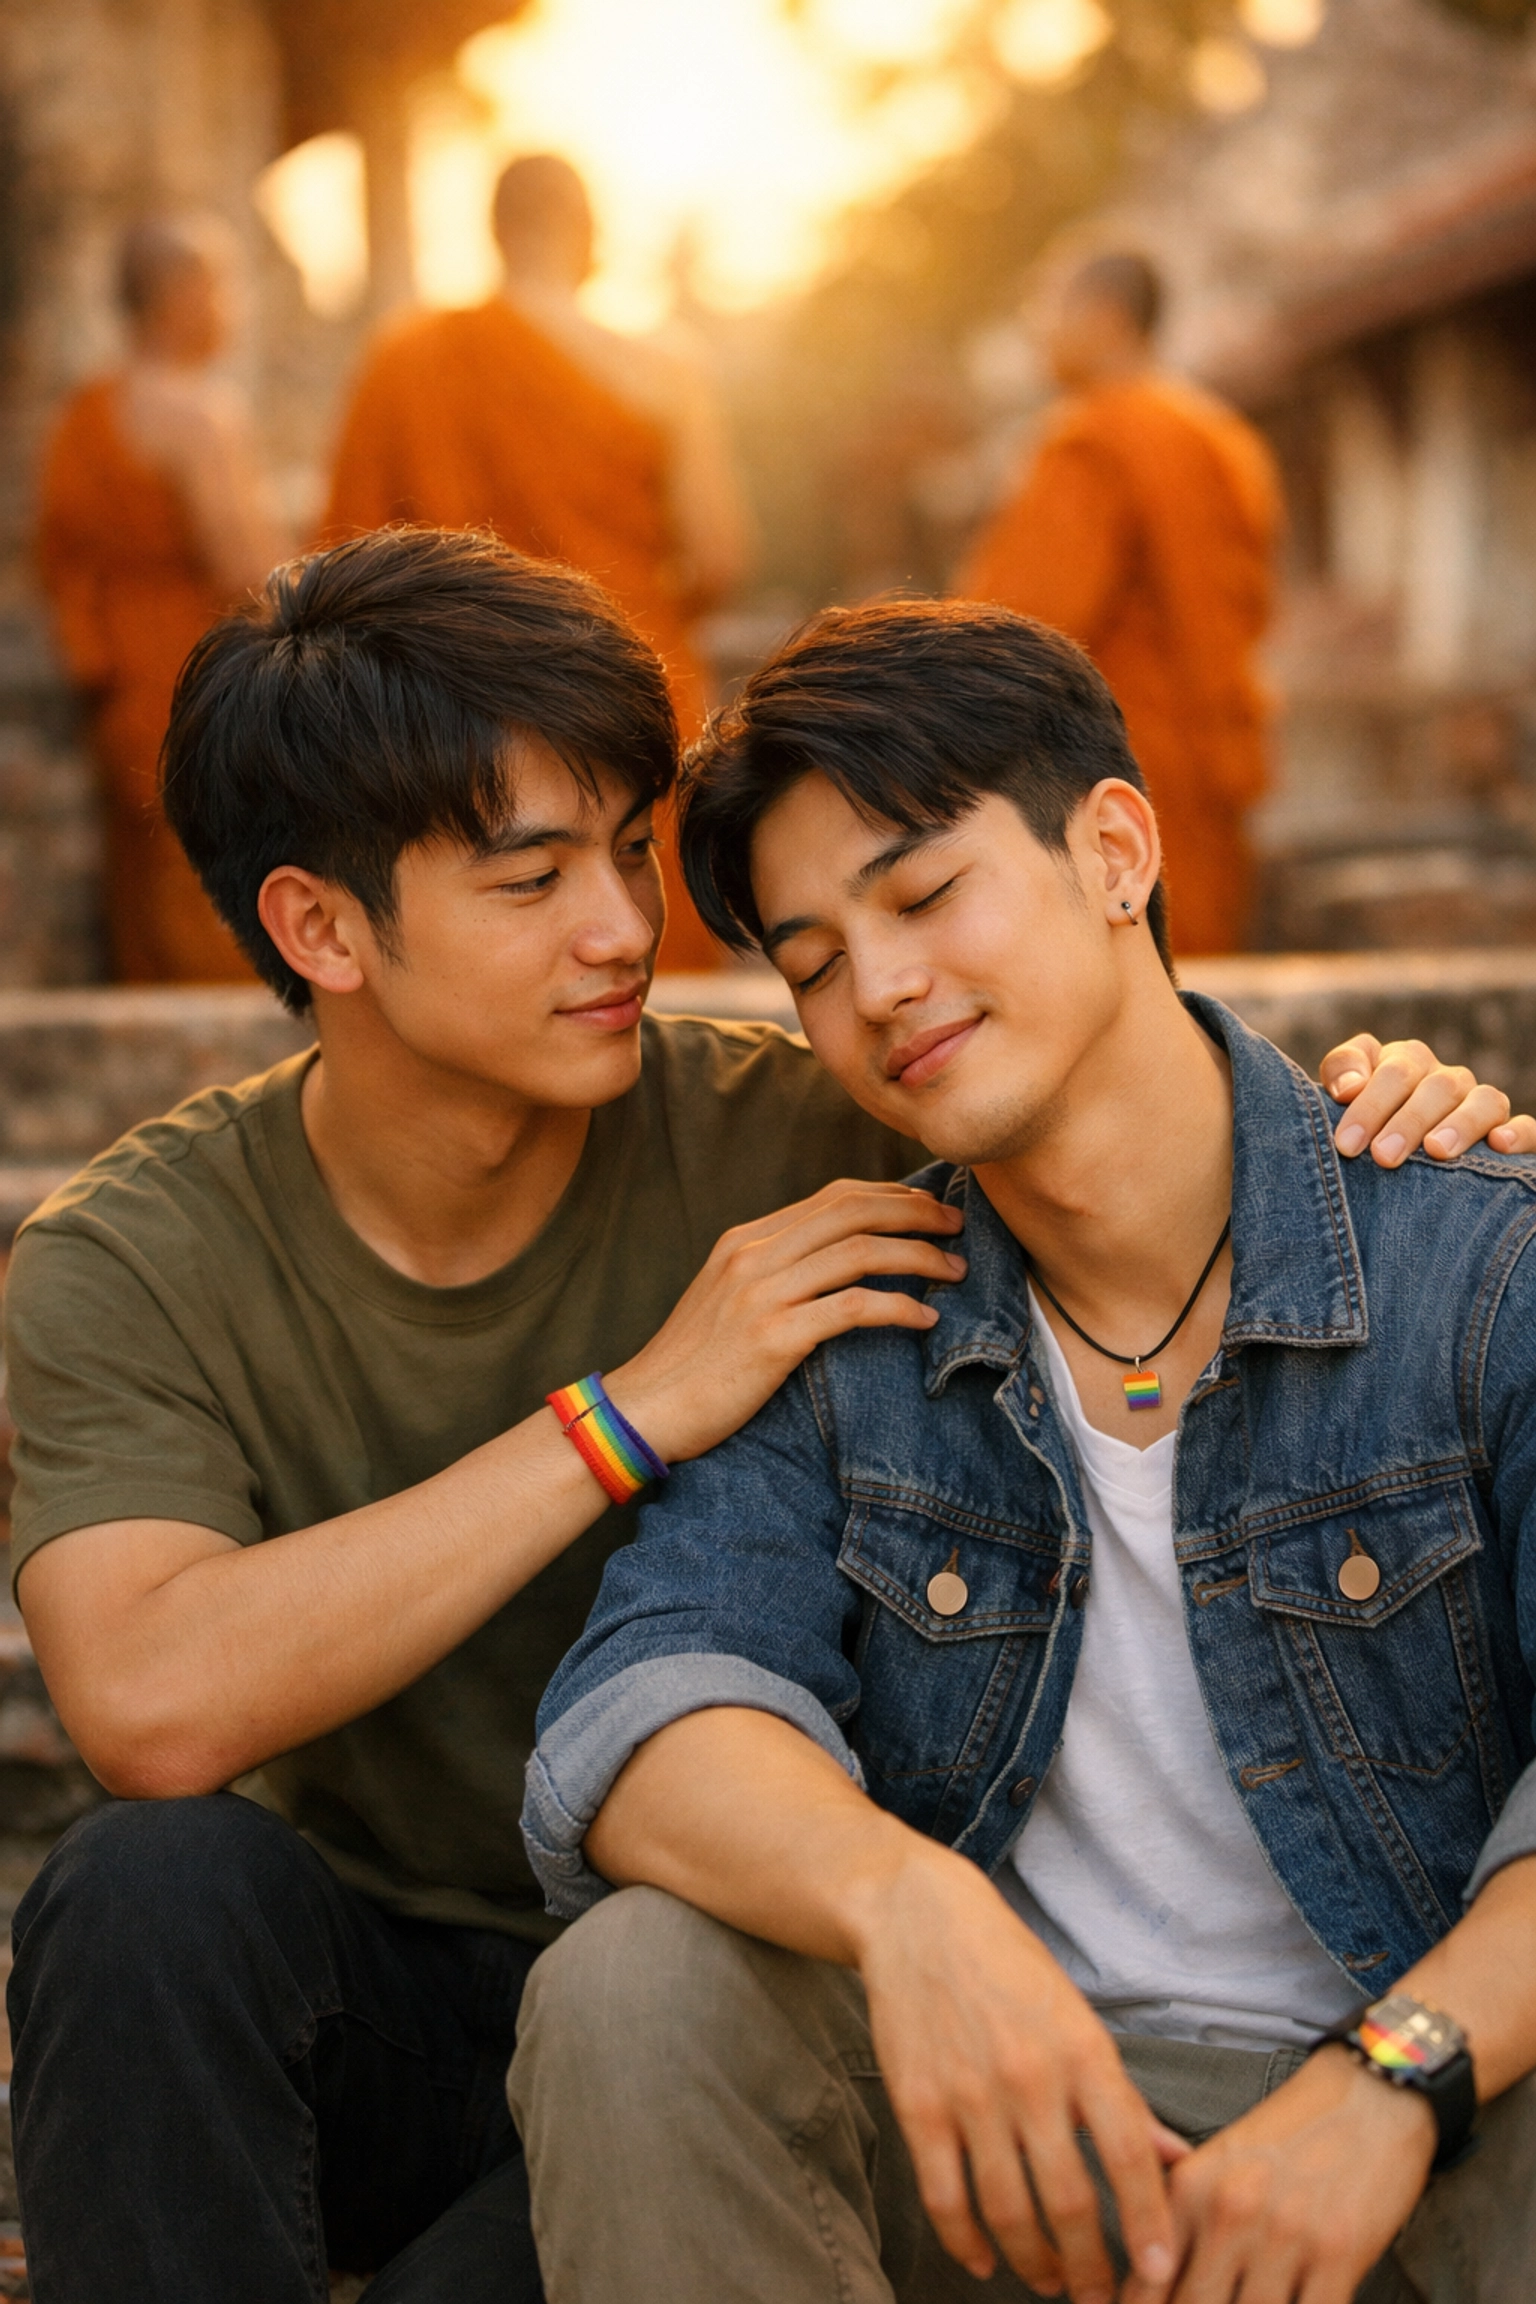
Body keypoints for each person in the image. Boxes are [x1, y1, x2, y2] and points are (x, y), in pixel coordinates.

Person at [2, 533, 1511, 2304]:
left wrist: (1399, 1136)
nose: (624, 931)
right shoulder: (141, 1249)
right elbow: (165, 1702)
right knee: (153, 1888)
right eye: (529, 877)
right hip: (511, 1991)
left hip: (853, 1989)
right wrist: (631, 1410)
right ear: (321, 924)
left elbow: (1118, 1092)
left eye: (631, 854)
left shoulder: (825, 1133)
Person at [514, 599, 1536, 2304]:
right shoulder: (852, 1317)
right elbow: (641, 1715)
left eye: (922, 893)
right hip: (1008, 2148)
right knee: (635, 1983)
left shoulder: (1479, 1268)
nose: (882, 987)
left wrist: (1391, 2076)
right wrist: (910, 1910)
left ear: (1116, 847)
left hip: (1434, 2129)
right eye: (815, 960)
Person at [322, 154, 752, 970]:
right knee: (648, 930)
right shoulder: (663, 369)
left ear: (494, 231)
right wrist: (626, 616)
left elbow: (345, 559)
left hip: (456, 706)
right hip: (629, 684)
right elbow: (720, 554)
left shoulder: (407, 358)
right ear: (588, 232)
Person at [958, 252, 1278, 957]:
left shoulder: (1095, 440)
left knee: (1135, 968)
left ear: (1103, 318)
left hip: (1118, 754)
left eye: (1048, 311)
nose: (1037, 333)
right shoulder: (1223, 438)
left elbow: (1021, 623)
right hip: (1214, 749)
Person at [36, 214, 283, 981]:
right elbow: (244, 568)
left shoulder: (89, 411)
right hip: (200, 684)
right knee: (217, 897)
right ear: (180, 296)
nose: (230, 308)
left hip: (124, 696)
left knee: (148, 905)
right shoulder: (198, 413)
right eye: (221, 288)